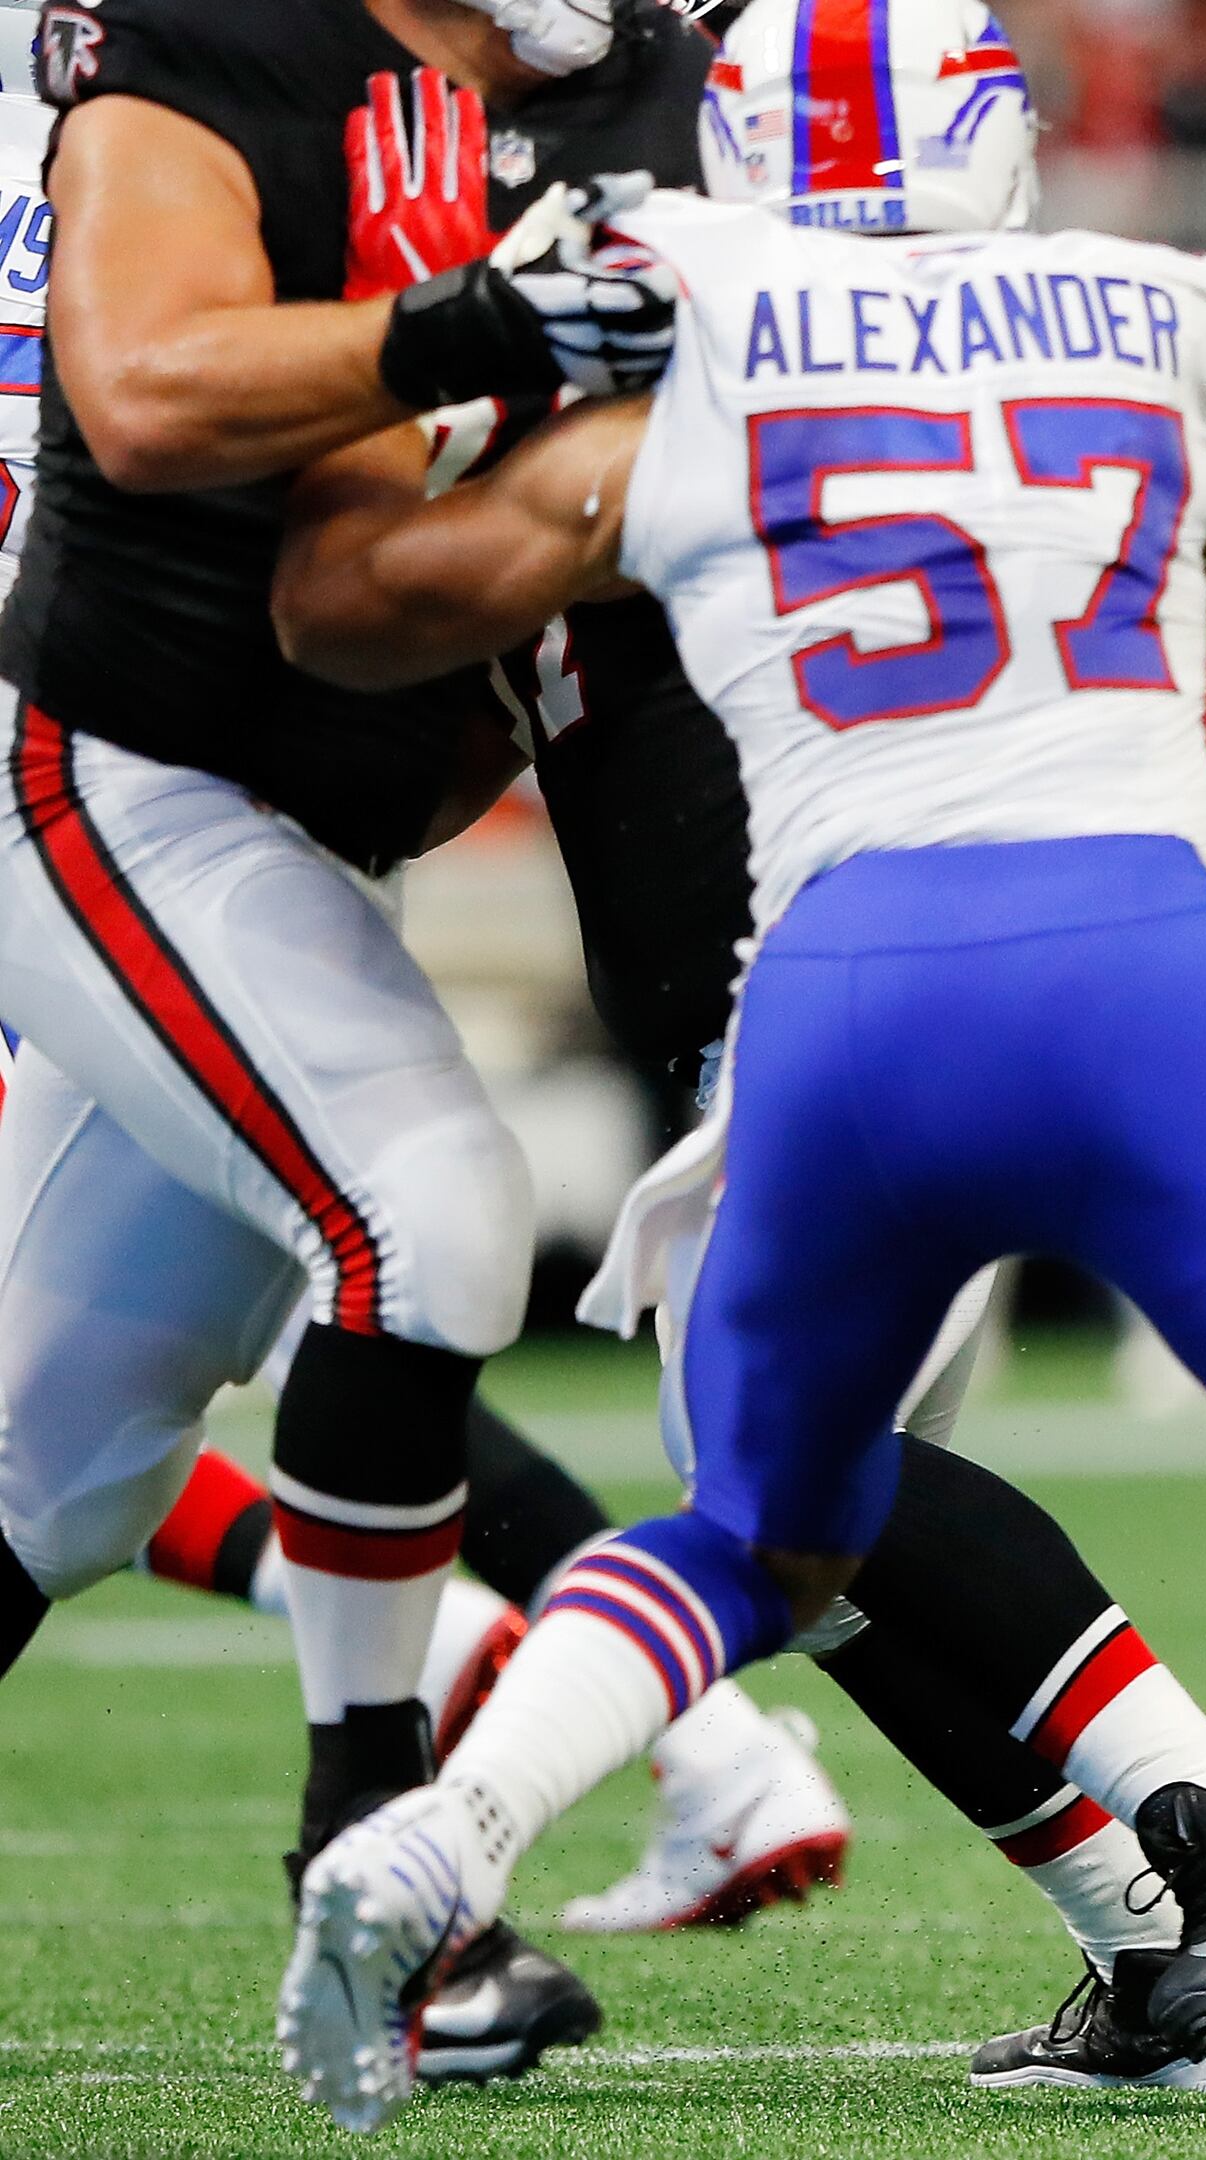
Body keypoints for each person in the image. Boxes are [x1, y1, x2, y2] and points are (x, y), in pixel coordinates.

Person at [261, 8, 1206, 2152]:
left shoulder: (690, 330)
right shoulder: (1175, 316)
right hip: (1140, 964)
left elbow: (364, 607)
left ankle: (441, 1850)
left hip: (839, 991)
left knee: (753, 1530)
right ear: (992, 137)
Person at [0, 0, 689, 2074]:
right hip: (113, 773)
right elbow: (140, 395)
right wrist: (476, 334)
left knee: (45, 1482)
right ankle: (392, 1893)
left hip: (296, 836)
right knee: (435, 1205)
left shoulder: (656, 109)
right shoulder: (231, 49)